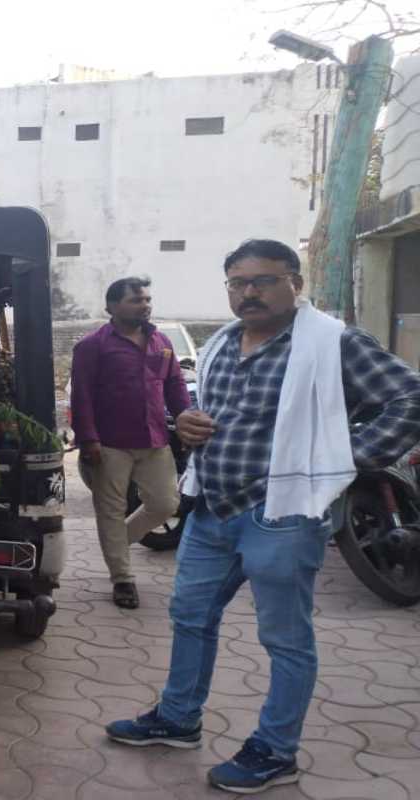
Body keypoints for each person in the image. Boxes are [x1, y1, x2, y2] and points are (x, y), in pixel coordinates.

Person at [105, 239, 420, 794]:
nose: (249, 293)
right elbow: (218, 414)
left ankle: (275, 751)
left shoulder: (333, 343)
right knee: (191, 616)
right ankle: (178, 720)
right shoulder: (224, 342)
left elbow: (409, 399)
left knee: (284, 637)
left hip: (284, 513)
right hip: (215, 508)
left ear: (294, 282)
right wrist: (190, 425)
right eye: (237, 283)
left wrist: (346, 458)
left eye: (263, 281)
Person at [71, 277, 191, 609]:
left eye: (147, 299)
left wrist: (185, 418)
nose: (145, 305)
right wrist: (88, 439)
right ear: (111, 306)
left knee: (166, 503)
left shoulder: (161, 343)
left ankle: (115, 544)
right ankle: (122, 579)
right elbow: (81, 397)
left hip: (154, 440)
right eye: (136, 300)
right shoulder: (92, 346)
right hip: (108, 444)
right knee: (110, 510)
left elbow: (175, 386)